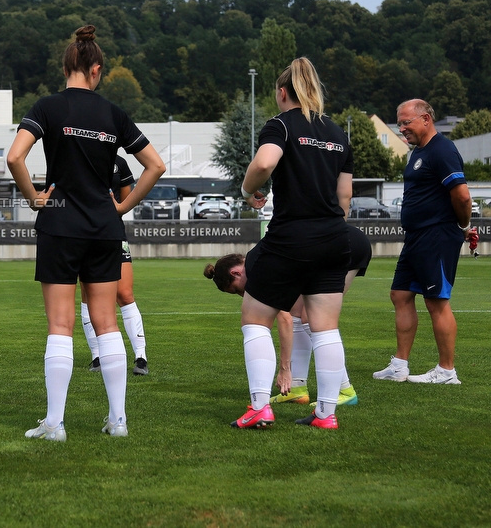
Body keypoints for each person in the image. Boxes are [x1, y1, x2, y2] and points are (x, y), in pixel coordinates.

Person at [6, 25, 165, 441]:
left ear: (67, 67)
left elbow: (14, 156)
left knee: (61, 325)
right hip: (104, 227)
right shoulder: (114, 114)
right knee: (107, 322)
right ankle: (118, 421)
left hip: (60, 225)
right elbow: (156, 166)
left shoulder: (47, 106)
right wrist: (124, 206)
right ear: (96, 70)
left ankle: (55, 424)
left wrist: (33, 198)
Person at [231, 57, 353, 431]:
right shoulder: (337, 133)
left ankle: (259, 407)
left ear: (282, 93)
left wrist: (247, 189)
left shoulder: (280, 125)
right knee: (325, 327)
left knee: (255, 318)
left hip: (290, 237)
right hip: (334, 237)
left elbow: (265, 164)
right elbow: (344, 197)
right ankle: (326, 414)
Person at [205, 224, 371, 407]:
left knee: (314, 318)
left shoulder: (257, 269)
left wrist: (284, 369)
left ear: (236, 273)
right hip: (332, 245)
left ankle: (345, 390)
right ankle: (297, 390)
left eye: (238, 290)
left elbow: (284, 320)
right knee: (299, 313)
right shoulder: (257, 261)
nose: (244, 295)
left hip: (346, 245)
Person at [373, 99, 479, 384]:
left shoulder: (442, 149)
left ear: (426, 119)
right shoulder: (418, 153)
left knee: (436, 301)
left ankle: (446, 371)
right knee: (401, 294)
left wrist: (463, 226)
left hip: (436, 237)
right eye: (399, 124)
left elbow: (462, 196)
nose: (402, 128)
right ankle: (399, 366)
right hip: (417, 237)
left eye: (406, 122)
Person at [81, 154, 148, 376]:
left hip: (113, 232)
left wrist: (116, 207)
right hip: (82, 234)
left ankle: (141, 357)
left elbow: (126, 201)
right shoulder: (77, 156)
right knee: (87, 294)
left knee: (125, 293)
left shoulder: (119, 163)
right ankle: (97, 356)